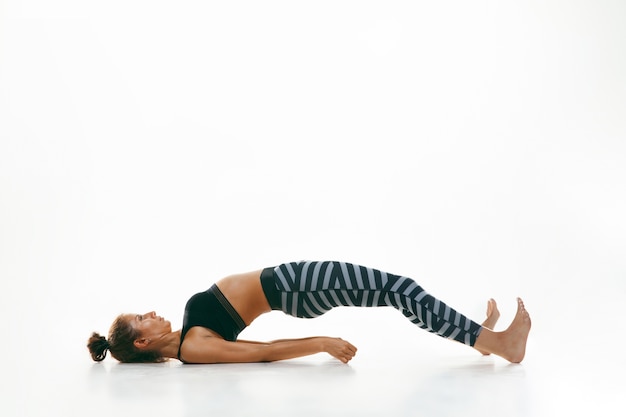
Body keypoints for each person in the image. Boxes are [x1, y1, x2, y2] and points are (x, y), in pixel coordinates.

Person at [87, 260, 531, 364]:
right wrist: (320, 343)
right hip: (298, 288)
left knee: (397, 292)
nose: (149, 312)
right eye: (140, 319)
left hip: (293, 281)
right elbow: (260, 352)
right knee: (401, 290)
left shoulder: (188, 333)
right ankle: (496, 343)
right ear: (142, 341)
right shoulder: (194, 347)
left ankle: (474, 335)